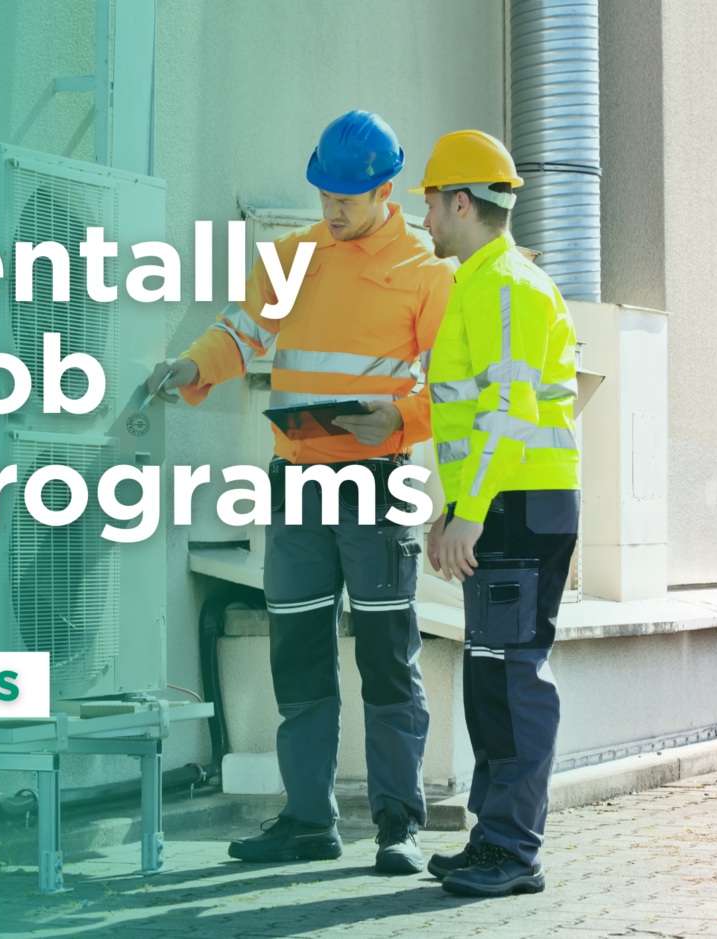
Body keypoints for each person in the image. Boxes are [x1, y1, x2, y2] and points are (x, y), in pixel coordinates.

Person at [149, 110, 454, 875]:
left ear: (387, 189)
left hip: (375, 486)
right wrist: (193, 368)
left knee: (388, 659)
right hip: (295, 490)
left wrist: (400, 416)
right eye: (324, 193)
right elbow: (244, 332)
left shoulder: (425, 271)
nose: (332, 208)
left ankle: (396, 826)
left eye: (348, 196)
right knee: (299, 657)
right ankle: (308, 820)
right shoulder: (292, 256)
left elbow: (453, 388)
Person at [412, 130, 581, 897]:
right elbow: (473, 418)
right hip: (502, 504)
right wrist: (453, 509)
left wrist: (471, 513)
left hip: (518, 507)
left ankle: (514, 850)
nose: (424, 219)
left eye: (429, 202)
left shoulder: (506, 285)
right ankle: (495, 839)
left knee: (512, 678)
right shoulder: (482, 282)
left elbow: (509, 414)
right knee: (492, 674)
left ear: (459, 201)